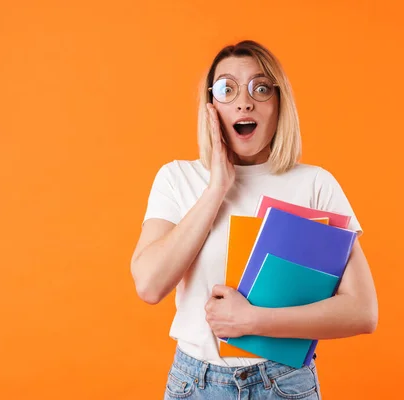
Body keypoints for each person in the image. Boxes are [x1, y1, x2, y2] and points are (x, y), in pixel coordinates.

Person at [131, 39, 378, 399]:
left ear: (279, 104)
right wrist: (217, 187)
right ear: (210, 107)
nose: (244, 101)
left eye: (260, 88)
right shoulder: (177, 178)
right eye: (226, 89)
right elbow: (149, 286)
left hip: (284, 383)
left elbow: (362, 311)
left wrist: (251, 321)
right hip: (195, 385)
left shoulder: (314, 184)